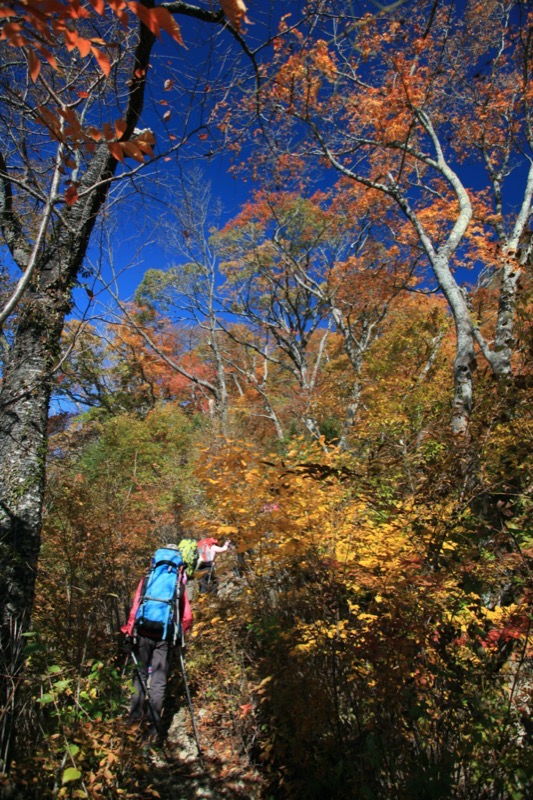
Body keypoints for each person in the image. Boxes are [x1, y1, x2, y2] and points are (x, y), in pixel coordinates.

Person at [122, 544, 192, 740]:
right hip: (164, 636)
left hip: (143, 631)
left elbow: (136, 608)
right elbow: (187, 616)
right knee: (159, 681)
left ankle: (133, 722)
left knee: (140, 675)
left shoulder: (147, 580)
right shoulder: (178, 585)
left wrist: (129, 632)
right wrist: (179, 635)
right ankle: (153, 729)